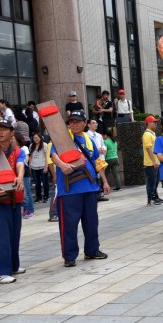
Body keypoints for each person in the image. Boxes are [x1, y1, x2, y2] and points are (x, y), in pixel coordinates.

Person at [51, 110, 111, 267]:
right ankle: (69, 256)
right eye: (71, 121)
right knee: (69, 224)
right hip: (69, 190)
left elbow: (97, 161)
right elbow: (53, 155)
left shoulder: (89, 140)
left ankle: (92, 250)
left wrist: (104, 181)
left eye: (78, 121)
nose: (74, 124)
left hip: (90, 188)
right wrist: (62, 165)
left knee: (91, 222)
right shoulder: (61, 138)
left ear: (85, 123)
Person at [0, 119, 25, 284]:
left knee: (14, 233)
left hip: (14, 197)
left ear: (12, 132)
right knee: (1, 235)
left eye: (4, 129)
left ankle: (13, 265)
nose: (0, 132)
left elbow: (20, 165)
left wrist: (19, 177)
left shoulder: (17, 151)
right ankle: (0, 271)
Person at [142, 115, 163, 205]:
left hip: (155, 162)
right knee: (151, 181)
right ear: (149, 123)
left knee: (156, 181)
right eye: (154, 122)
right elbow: (148, 148)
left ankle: (155, 196)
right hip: (150, 163)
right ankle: (150, 198)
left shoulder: (151, 134)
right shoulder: (147, 134)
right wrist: (154, 161)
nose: (156, 124)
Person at [12, 133, 34, 218]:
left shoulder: (23, 148)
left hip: (24, 172)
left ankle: (30, 210)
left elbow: (26, 159)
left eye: (13, 139)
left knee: (27, 191)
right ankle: (25, 209)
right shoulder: (11, 150)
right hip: (17, 172)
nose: (11, 140)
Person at [30, 132, 49, 204]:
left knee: (45, 182)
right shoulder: (32, 145)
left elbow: (46, 156)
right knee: (37, 183)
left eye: (37, 138)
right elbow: (31, 156)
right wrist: (29, 165)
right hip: (34, 166)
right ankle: (38, 197)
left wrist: (46, 166)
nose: (35, 139)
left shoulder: (44, 145)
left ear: (40, 138)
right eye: (34, 138)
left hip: (42, 165)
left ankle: (46, 196)